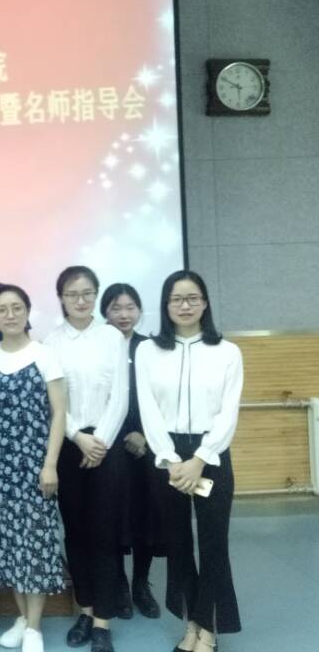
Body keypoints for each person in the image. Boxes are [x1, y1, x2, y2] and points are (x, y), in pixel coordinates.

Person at [136, 271, 242, 652]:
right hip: (166, 456)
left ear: (205, 303)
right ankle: (191, 624)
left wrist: (199, 458)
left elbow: (228, 413)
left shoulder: (227, 352)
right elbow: (148, 409)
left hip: (211, 453)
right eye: (176, 299)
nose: (185, 305)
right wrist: (169, 459)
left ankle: (208, 629)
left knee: (213, 544)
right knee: (178, 545)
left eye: (192, 298)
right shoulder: (148, 352)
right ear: (166, 305)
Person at [43, 266, 127, 652]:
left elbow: (120, 396)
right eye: (72, 294)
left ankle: (103, 620)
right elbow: (54, 401)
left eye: (87, 293)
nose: (80, 300)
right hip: (69, 445)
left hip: (106, 447)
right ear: (61, 298)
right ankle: (85, 609)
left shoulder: (112, 337)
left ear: (96, 295)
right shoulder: (51, 342)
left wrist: (101, 441)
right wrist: (78, 437)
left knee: (105, 532)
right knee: (75, 532)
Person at [0, 286, 67, 652]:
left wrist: (50, 464)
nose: (10, 314)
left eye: (17, 308)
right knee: (7, 544)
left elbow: (59, 413)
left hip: (34, 464)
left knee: (34, 543)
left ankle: (34, 627)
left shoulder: (45, 355)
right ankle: (22, 617)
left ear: (28, 312)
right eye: (2, 309)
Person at [100, 283, 163, 620]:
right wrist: (122, 433)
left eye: (130, 307)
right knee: (113, 517)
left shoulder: (150, 348)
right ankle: (119, 585)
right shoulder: (98, 346)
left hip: (147, 448)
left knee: (145, 517)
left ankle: (141, 584)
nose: (124, 314)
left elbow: (161, 397)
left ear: (139, 311)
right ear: (104, 312)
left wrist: (144, 436)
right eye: (116, 308)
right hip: (109, 446)